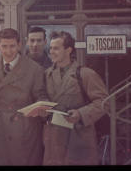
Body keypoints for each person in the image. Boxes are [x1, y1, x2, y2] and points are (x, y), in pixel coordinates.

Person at [43, 31, 108, 165]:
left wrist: (81, 113)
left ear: (68, 50)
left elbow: (104, 102)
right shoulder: (46, 75)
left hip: (79, 137)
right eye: (50, 48)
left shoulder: (85, 74)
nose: (51, 52)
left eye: (56, 48)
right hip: (54, 138)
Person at [0, 28, 47, 165]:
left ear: (19, 45)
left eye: (12, 46)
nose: (8, 51)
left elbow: (41, 94)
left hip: (24, 126)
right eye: (4, 46)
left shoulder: (34, 69)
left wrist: (42, 104)